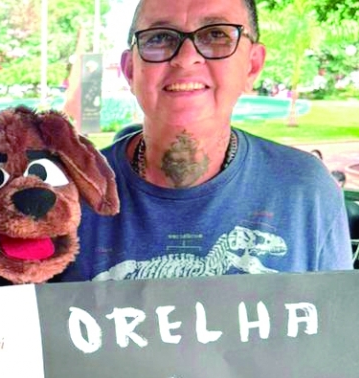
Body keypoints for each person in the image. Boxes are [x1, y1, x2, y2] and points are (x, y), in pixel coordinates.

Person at [60, 0, 352, 282]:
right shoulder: (64, 194)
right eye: (160, 37)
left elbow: (337, 325)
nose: (186, 59)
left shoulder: (307, 191)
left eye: (216, 35)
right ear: (130, 70)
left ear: (252, 65)